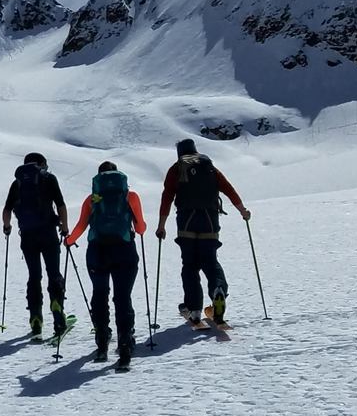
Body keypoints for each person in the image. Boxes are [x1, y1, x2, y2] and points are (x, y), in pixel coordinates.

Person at [154, 138, 251, 326]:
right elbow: (228, 189)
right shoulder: (208, 166)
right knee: (210, 262)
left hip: (186, 223)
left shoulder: (176, 168)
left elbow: (167, 197)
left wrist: (161, 225)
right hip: (210, 221)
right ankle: (218, 291)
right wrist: (243, 211)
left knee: (189, 266)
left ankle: (194, 309)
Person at [65, 162, 147, 369]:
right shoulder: (131, 196)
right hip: (125, 251)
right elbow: (141, 228)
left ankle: (102, 344)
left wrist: (68, 240)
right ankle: (125, 346)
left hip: (97, 252)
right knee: (122, 297)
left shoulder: (92, 199)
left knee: (99, 294)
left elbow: (81, 226)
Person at [1, 152, 70, 337]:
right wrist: (64, 227)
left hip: (28, 237)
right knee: (53, 273)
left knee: (34, 276)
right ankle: (57, 311)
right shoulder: (49, 179)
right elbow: (61, 204)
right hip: (48, 234)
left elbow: (7, 210)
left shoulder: (18, 184)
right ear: (41, 164)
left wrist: (7, 227)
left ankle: (36, 317)